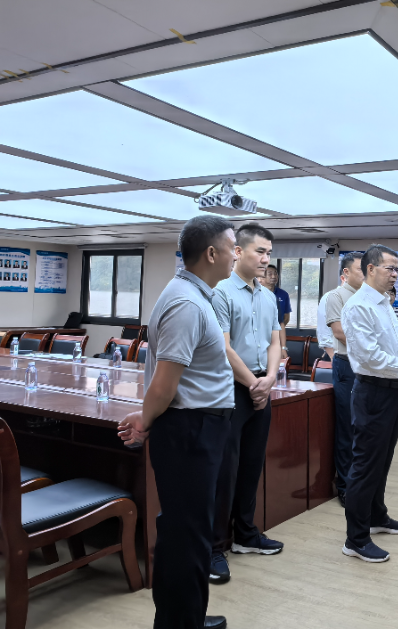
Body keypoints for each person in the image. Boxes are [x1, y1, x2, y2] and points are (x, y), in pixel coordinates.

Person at [117, 215, 237, 629]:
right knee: (188, 534)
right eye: (233, 247)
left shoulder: (193, 294)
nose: (236, 254)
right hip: (190, 430)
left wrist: (148, 416)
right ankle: (183, 622)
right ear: (211, 253)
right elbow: (165, 384)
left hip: (195, 428)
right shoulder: (187, 303)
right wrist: (145, 418)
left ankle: (181, 618)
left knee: (183, 530)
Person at [209, 223, 283, 585]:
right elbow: (223, 347)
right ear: (238, 251)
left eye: (269, 253)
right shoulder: (220, 292)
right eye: (260, 251)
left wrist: (269, 379)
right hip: (230, 390)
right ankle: (213, 547)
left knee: (252, 465)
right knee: (225, 470)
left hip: (260, 387)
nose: (266, 259)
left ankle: (245, 535)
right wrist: (254, 384)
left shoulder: (267, 296)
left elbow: (275, 343)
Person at [341, 244, 398, 563]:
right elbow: (369, 356)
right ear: (371, 269)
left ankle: (377, 517)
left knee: (383, 460)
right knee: (365, 465)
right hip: (372, 392)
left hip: (392, 390)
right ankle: (356, 538)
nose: (395, 274)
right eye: (391, 268)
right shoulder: (359, 306)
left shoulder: (384, 302)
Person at [326, 252, 365, 506]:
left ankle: (361, 483)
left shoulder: (372, 297)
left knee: (364, 427)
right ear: (346, 273)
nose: (366, 273)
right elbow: (339, 332)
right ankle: (344, 485)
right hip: (347, 365)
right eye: (361, 269)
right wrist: (370, 343)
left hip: (368, 367)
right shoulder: (336, 296)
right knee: (347, 427)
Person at [261, 263, 290, 360]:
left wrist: (283, 347)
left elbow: (283, 321)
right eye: (270, 274)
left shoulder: (282, 295)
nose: (273, 276)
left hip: (275, 339)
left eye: (275, 274)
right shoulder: (255, 294)